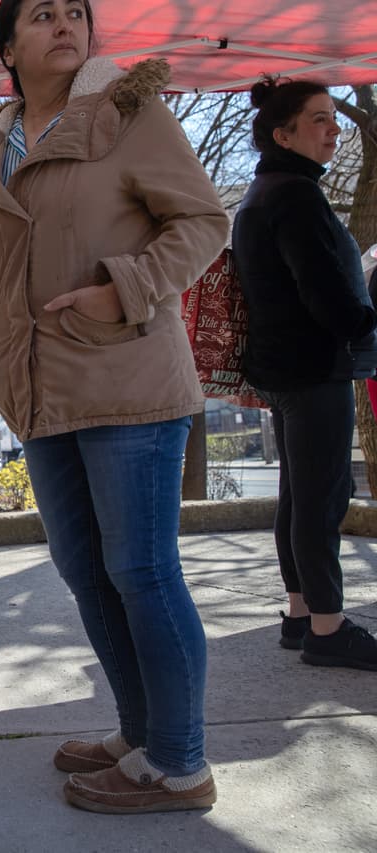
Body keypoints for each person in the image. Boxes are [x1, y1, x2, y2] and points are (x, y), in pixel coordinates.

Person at [0, 0, 229, 814]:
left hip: (130, 378)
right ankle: (142, 732)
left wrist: (125, 291)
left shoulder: (127, 114)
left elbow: (205, 220)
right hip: (40, 392)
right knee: (85, 570)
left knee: (142, 570)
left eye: (75, 11)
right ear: (9, 45)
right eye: (41, 14)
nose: (64, 23)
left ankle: (181, 762)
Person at [231, 77, 377, 671]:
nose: (333, 128)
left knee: (298, 497)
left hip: (284, 368)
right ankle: (327, 627)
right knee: (320, 499)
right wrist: (367, 306)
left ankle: (299, 614)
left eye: (332, 118)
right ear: (282, 133)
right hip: (313, 367)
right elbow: (327, 296)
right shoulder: (295, 196)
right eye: (319, 119)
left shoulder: (264, 192)